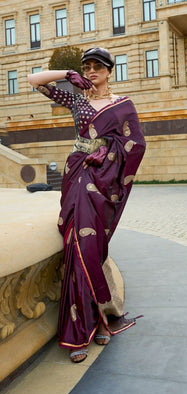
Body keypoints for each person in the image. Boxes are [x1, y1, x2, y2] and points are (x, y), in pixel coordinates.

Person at [28, 47, 146, 363]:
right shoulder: (77, 100)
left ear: (110, 71)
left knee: (92, 250)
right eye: (87, 67)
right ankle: (85, 329)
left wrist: (106, 158)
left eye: (98, 67)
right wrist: (67, 74)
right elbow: (33, 80)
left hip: (102, 181)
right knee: (76, 250)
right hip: (76, 174)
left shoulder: (122, 106)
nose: (91, 71)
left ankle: (99, 321)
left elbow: (136, 145)